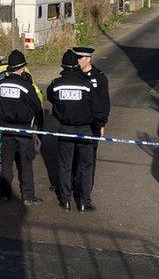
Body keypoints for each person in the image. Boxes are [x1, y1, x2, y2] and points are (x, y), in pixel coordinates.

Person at [47, 49, 104, 213]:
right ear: (76, 65)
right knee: (86, 166)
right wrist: (99, 124)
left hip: (65, 129)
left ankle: (65, 201)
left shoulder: (56, 84)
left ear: (63, 66)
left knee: (65, 166)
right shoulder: (86, 85)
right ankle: (84, 202)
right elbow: (97, 108)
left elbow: (51, 97)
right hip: (84, 130)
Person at [0, 50, 44, 206]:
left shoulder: (1, 84)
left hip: (7, 129)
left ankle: (4, 194)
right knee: (26, 163)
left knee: (7, 162)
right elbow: (37, 107)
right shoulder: (26, 86)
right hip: (23, 130)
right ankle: (28, 196)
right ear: (22, 68)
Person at [73, 46, 110, 206]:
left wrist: (101, 124)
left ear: (88, 59)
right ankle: (73, 186)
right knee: (74, 157)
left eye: (80, 58)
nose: (78, 61)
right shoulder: (74, 75)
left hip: (92, 125)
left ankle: (86, 191)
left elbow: (104, 104)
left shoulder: (99, 78)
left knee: (88, 160)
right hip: (75, 124)